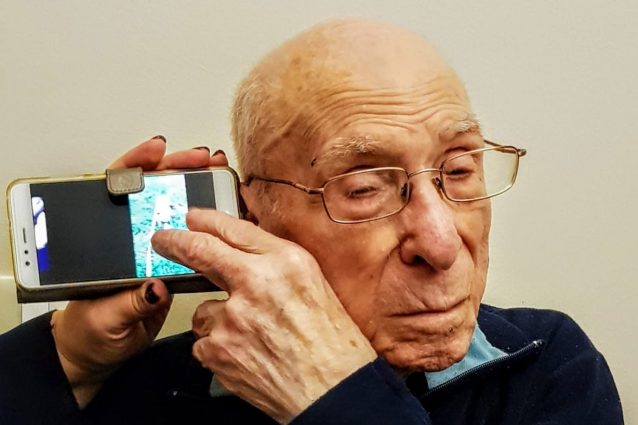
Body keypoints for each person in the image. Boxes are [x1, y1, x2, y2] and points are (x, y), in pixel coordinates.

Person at [0, 19, 623, 424]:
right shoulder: (151, 391)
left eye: (458, 171)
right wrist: (67, 360)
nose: (441, 243)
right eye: (364, 188)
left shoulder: (547, 364)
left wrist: (337, 395)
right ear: (255, 217)